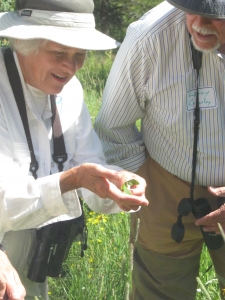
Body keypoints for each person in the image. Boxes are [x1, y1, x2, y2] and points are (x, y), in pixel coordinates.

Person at [0, 0, 148, 299]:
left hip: (36, 258)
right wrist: (72, 180)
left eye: (80, 55)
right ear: (23, 43)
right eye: (59, 53)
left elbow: (88, 161)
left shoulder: (71, 89)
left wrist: (115, 184)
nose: (70, 67)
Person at [94, 0, 225, 299]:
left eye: (216, 16)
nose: (200, 23)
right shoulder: (149, 37)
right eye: (192, 8)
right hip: (164, 188)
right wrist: (143, 189)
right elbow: (112, 129)